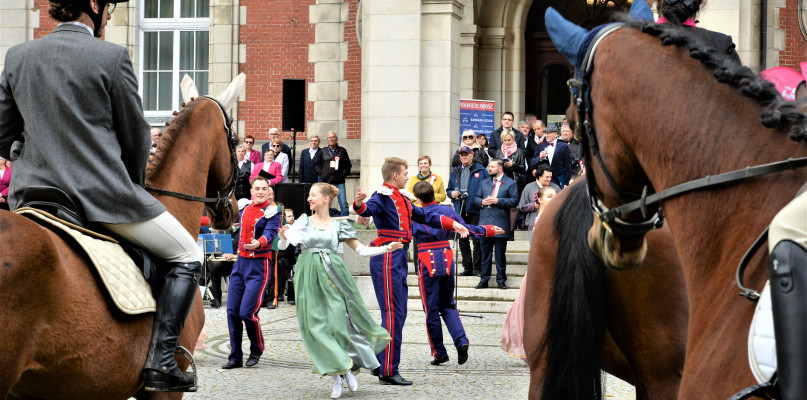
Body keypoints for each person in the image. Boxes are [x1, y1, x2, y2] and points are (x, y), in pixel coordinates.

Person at [0, 0, 202, 391]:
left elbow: (2, 134)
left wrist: (30, 155)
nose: (110, 14)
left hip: (32, 199)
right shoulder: (111, 56)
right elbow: (136, 139)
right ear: (93, 5)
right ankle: (162, 363)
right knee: (188, 254)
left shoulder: (18, 55)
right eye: (109, 6)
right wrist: (127, 183)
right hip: (99, 198)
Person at [353, 157, 471, 386]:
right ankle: (388, 369)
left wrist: (452, 224)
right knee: (393, 313)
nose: (409, 176)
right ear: (395, 175)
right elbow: (368, 209)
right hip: (387, 255)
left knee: (398, 313)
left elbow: (425, 215)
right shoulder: (382, 196)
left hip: (397, 256)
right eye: (406, 173)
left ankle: (379, 363)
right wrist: (358, 205)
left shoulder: (403, 198)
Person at [278, 183, 400, 399]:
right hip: (308, 276)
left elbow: (361, 250)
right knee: (315, 327)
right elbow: (283, 245)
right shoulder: (304, 221)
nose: (309, 198)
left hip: (334, 275)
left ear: (326, 199)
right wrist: (284, 236)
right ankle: (340, 373)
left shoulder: (339, 226)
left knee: (337, 323)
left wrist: (386, 248)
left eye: (313, 195)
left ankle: (346, 367)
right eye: (309, 195)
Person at [411, 181, 503, 367]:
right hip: (446, 257)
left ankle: (439, 352)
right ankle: (461, 341)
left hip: (426, 260)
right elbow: (467, 230)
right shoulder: (447, 211)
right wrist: (487, 230)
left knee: (431, 310)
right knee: (448, 305)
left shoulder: (416, 215)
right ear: (434, 195)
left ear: (419, 199)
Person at [222, 177, 282, 370]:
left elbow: (271, 232)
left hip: (259, 265)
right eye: (257, 188)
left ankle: (256, 349)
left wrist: (260, 242)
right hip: (240, 263)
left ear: (268, 191)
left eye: (264, 189)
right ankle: (235, 356)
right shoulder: (245, 207)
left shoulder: (272, 211)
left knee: (247, 312)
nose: (260, 192)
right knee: (232, 311)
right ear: (251, 190)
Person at [501, 185, 555, 360]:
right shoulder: (541, 218)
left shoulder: (553, 216)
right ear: (539, 199)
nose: (553, 198)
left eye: (555, 195)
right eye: (549, 196)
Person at [474, 159, 519, 290]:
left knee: (500, 254)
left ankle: (501, 280)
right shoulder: (484, 182)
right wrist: (482, 202)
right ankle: (484, 279)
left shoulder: (511, 183)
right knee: (485, 254)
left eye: (492, 166)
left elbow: (514, 201)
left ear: (500, 168)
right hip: (485, 223)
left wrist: (497, 200)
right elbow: (476, 198)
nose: (489, 168)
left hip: (500, 222)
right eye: (489, 166)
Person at [447, 146, 489, 276]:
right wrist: (452, 193)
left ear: (472, 155)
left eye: (466, 154)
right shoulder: (455, 171)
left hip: (475, 209)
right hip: (460, 208)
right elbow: (448, 190)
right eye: (461, 155)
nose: (464, 157)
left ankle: (477, 268)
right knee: (463, 239)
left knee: (476, 239)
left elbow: (487, 187)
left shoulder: (481, 170)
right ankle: (467, 267)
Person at [518, 165, 560, 241]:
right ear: (539, 176)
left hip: (552, 224)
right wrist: (534, 205)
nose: (549, 179)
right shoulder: (529, 187)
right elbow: (521, 207)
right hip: (533, 223)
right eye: (546, 177)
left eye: (550, 177)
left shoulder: (555, 188)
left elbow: (562, 205)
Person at [314, 131, 352, 217]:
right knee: (325, 202)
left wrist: (343, 174)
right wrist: (322, 173)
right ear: (327, 139)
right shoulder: (323, 151)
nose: (331, 139)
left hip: (339, 182)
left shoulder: (342, 151)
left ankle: (345, 222)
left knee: (343, 203)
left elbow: (348, 165)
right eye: (329, 137)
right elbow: (317, 164)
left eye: (333, 137)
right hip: (326, 182)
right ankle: (326, 219)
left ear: (336, 139)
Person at [530, 124, 571, 189]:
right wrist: (539, 157)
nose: (546, 135)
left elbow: (567, 166)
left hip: (558, 178)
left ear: (555, 134)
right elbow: (532, 162)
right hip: (544, 179)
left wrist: (566, 182)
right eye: (545, 133)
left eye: (549, 133)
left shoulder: (563, 146)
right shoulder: (540, 145)